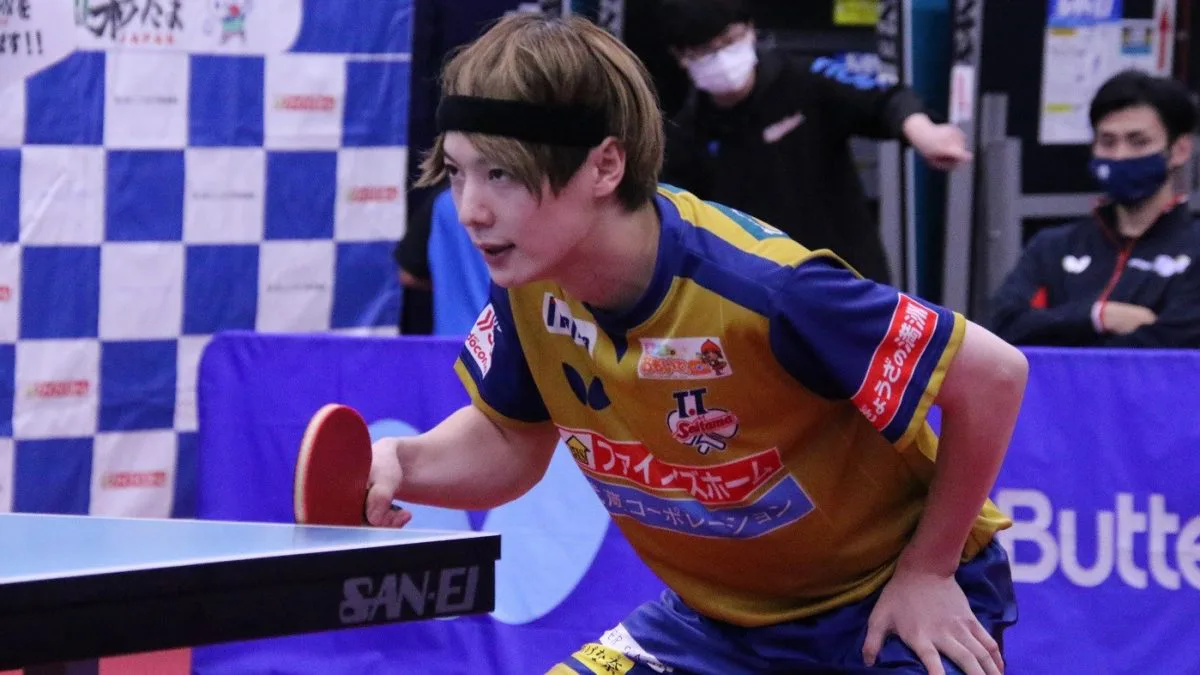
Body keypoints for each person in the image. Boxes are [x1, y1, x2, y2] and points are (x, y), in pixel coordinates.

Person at [368, 13, 1028, 675]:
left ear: (604, 165)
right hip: (715, 625)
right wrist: (401, 461)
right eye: (457, 172)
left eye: (502, 175)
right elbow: (510, 441)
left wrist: (928, 568)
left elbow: (995, 375)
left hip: (887, 603)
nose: (470, 210)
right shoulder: (531, 282)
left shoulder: (768, 290)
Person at [655, 0, 973, 285]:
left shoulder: (804, 78)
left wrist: (925, 133)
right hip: (759, 290)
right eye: (706, 51)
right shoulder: (685, 134)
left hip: (846, 275)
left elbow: (882, 98)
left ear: (749, 30)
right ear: (682, 57)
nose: (723, 60)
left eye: (728, 41)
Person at [987, 69, 1200, 349]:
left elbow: (1176, 341)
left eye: (1139, 142)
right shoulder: (1053, 247)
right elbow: (1001, 330)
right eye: (1107, 142)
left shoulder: (1194, 248)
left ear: (1180, 150)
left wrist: (1059, 335)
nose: (1120, 155)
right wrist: (1098, 316)